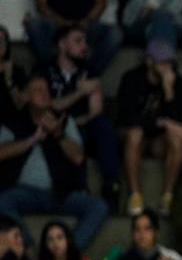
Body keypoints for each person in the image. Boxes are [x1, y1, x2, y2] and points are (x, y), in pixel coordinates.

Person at [0, 74, 108, 252]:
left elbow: (78, 157)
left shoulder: (64, 121)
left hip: (61, 192)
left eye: (47, 90)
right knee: (1, 201)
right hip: (24, 192)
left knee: (99, 206)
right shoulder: (14, 121)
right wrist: (31, 140)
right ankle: (29, 251)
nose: (45, 94)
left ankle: (66, 255)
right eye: (38, 90)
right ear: (25, 96)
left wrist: (59, 134)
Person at [40, 24, 121, 209]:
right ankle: (80, 190)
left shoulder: (89, 72)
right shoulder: (45, 71)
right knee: (75, 134)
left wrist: (75, 121)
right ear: (62, 44)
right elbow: (48, 105)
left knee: (104, 126)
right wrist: (79, 93)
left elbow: (96, 111)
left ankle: (112, 185)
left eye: (85, 41)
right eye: (78, 41)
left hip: (82, 125)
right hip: (55, 129)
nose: (84, 46)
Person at [117, 39, 182, 217]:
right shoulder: (131, 79)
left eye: (170, 62)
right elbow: (128, 117)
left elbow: (178, 121)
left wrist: (169, 90)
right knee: (135, 134)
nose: (167, 66)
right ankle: (135, 196)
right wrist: (161, 122)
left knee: (176, 137)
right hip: (132, 134)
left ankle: (167, 197)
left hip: (158, 139)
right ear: (149, 61)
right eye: (162, 61)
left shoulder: (176, 81)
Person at [0, 25, 29, 120]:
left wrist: (9, 81)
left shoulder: (17, 71)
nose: (0, 44)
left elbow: (20, 105)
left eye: (3, 41)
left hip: (11, 122)